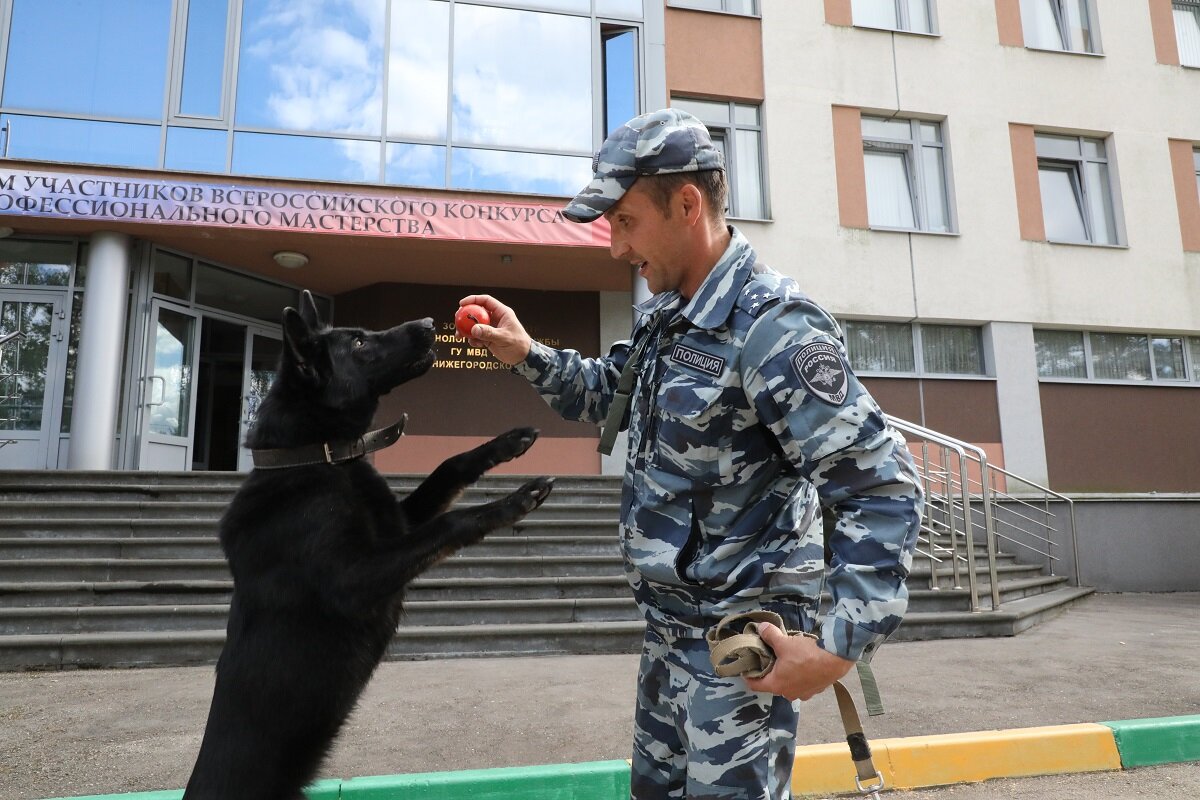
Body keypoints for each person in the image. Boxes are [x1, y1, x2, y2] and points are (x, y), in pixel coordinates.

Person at [461, 108, 923, 800]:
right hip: (667, 639)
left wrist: (834, 645)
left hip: (737, 654)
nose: (616, 247)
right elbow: (606, 394)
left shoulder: (772, 328)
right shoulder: (665, 318)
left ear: (686, 204)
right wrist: (527, 355)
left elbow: (882, 487)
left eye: (624, 221)